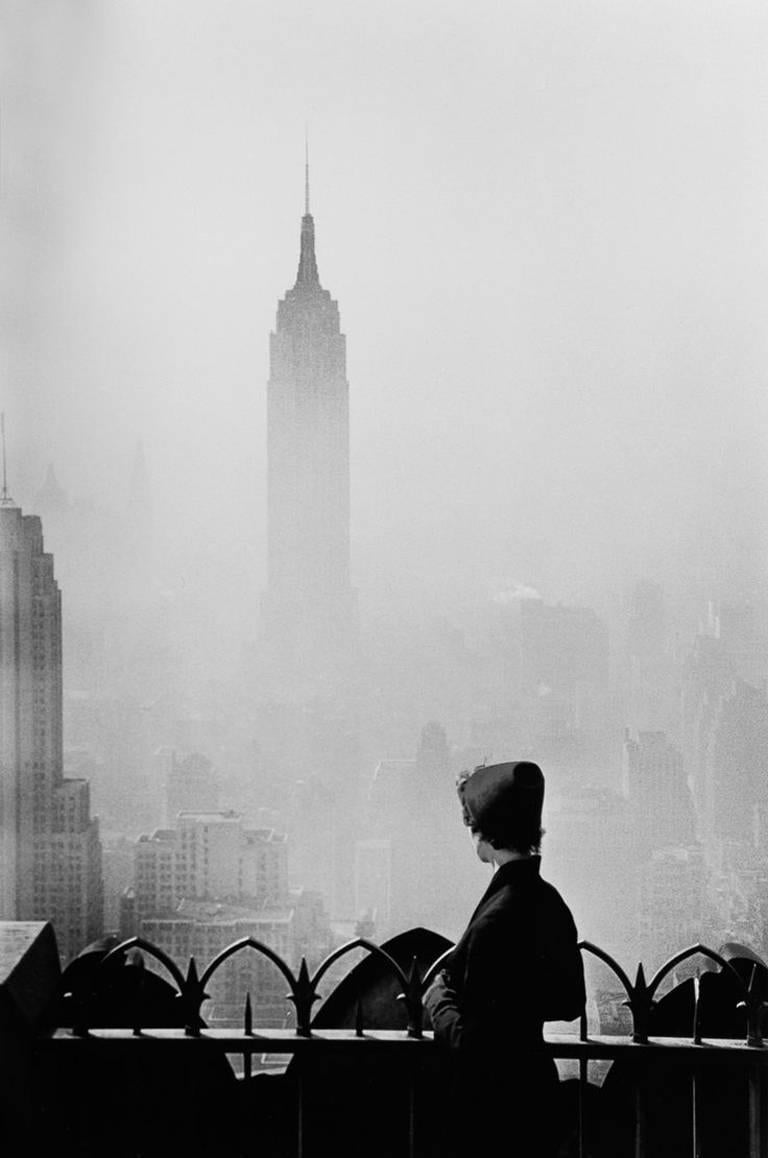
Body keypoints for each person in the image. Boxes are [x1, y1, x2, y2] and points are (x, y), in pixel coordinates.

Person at [423, 760, 585, 1157]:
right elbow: (569, 1002)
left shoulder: (495, 919)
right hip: (538, 1099)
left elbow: (472, 1048)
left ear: (484, 834)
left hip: (492, 1119)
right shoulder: (551, 903)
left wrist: (438, 1000)